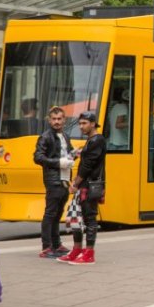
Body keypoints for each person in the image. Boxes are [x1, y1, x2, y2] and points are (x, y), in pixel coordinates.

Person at [58, 111, 105, 265]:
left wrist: (75, 183)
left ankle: (89, 253)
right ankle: (77, 250)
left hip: (89, 186)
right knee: (76, 218)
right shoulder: (91, 140)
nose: (81, 126)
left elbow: (87, 166)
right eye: (80, 123)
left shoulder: (97, 140)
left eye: (84, 123)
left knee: (89, 218)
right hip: (84, 185)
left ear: (93, 124)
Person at [33, 106, 73, 259]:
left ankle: (56, 244)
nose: (57, 122)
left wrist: (73, 155)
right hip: (53, 179)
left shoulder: (65, 136)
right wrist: (58, 162)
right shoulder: (45, 136)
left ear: (64, 120)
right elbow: (38, 157)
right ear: (49, 120)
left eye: (59, 119)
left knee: (58, 213)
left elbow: (66, 155)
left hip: (64, 178)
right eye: (54, 119)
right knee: (50, 213)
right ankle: (47, 246)